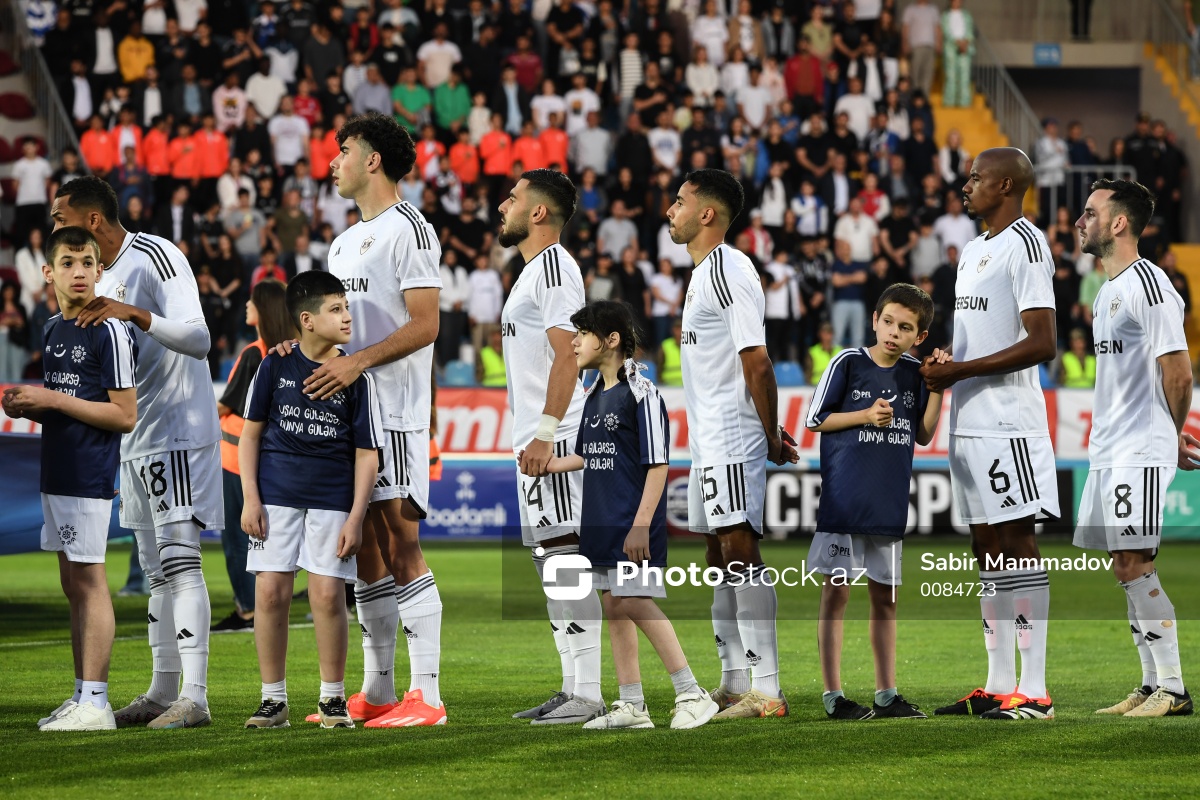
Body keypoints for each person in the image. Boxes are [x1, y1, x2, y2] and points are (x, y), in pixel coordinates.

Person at [51, 176, 223, 730]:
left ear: (92, 221)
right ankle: (160, 689)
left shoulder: (155, 255)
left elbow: (199, 339)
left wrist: (136, 314)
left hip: (176, 424)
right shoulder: (90, 274)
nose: (55, 226)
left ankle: (194, 697)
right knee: (153, 570)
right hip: (133, 434)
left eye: (61, 217)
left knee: (179, 560)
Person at [310, 112, 446, 728]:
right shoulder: (343, 241)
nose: (332, 161)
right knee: (361, 545)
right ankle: (380, 690)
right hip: (351, 411)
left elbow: (425, 325)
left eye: (342, 151)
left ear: (371, 161)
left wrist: (357, 363)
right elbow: (344, 326)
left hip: (395, 409)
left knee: (402, 541)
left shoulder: (410, 228)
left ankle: (429, 696)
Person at [920, 148, 1061, 720]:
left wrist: (961, 371)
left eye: (977, 177)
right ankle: (999, 683)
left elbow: (1042, 341)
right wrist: (951, 361)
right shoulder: (976, 248)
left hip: (1009, 422)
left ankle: (1036, 691)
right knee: (986, 548)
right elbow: (982, 334)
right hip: (969, 419)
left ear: (1005, 184)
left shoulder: (1026, 244)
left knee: (1017, 542)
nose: (966, 184)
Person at [540, 300, 718, 730]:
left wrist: (640, 525)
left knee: (634, 601)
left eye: (583, 333)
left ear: (612, 340)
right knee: (614, 606)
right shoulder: (594, 394)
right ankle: (632, 705)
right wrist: (547, 460)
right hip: (601, 523)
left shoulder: (643, 392)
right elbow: (586, 456)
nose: (575, 341)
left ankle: (692, 691)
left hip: (633, 523)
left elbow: (658, 464)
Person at [666, 168, 799, 719]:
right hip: (708, 438)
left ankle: (767, 691)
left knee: (739, 547)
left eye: (679, 202)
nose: (670, 211)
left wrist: (769, 433)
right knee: (717, 551)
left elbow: (756, 357)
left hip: (730, 435)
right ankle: (733, 680)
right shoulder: (701, 274)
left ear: (706, 214)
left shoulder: (729, 269)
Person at [1073, 178, 1199, 717]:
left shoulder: (1149, 284)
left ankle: (1173, 689)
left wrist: (1168, 437)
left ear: (1118, 223)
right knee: (1125, 567)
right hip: (1110, 450)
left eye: (1090, 212)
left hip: (1138, 448)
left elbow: (1178, 369)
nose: (1081, 221)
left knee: (1136, 562)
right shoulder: (1106, 293)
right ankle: (1150, 685)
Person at [4, 226, 138, 731]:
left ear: (100, 269)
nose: (79, 272)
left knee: (89, 580)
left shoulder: (108, 329)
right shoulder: (53, 327)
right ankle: (82, 693)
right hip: (56, 469)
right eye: (68, 263)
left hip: (87, 473)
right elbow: (67, 404)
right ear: (48, 272)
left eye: (87, 262)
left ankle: (98, 702)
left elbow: (125, 415)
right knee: (71, 584)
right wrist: (30, 406)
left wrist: (53, 401)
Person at [240, 270, 384, 729]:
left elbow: (366, 454)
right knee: (270, 592)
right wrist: (250, 499)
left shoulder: (357, 377)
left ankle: (332, 699)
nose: (347, 316)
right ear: (306, 319)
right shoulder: (274, 365)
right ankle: (272, 700)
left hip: (332, 499)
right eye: (336, 309)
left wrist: (357, 516)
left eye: (346, 307)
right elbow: (250, 436)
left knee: (326, 595)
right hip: (276, 497)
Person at [806, 284, 947, 721]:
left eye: (905, 328)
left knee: (886, 599)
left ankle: (887, 694)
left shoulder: (913, 373)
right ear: (874, 319)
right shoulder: (847, 362)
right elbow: (817, 418)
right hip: (846, 501)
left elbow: (923, 434)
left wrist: (939, 385)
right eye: (888, 322)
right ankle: (833, 696)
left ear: (919, 336)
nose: (893, 333)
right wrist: (866, 416)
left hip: (887, 502)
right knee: (836, 594)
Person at [498, 169, 605, 725]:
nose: (503, 205)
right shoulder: (533, 272)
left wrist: (545, 431)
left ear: (538, 213)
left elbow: (570, 354)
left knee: (566, 560)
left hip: (555, 434)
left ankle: (587, 691)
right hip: (538, 434)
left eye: (513, 199)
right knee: (551, 562)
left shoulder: (556, 267)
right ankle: (571, 686)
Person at [212, 280, 296, 633]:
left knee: (235, 538)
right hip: (269, 461)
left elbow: (224, 405)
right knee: (264, 538)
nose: (247, 305)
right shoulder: (288, 354)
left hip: (235, 460)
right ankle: (261, 606)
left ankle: (247, 610)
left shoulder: (253, 353)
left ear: (264, 308)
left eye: (252, 300)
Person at [940, 0, 974, 109]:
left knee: (965, 76)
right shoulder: (945, 16)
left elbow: (970, 31)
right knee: (951, 76)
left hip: (965, 49)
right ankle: (949, 102)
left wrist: (966, 42)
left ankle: (964, 103)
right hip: (951, 49)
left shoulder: (967, 15)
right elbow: (946, 31)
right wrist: (958, 42)